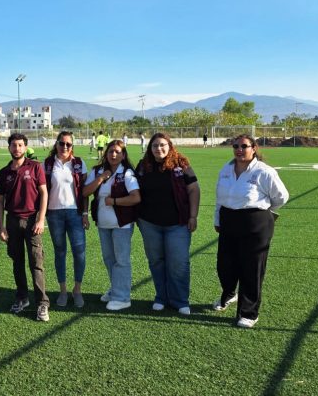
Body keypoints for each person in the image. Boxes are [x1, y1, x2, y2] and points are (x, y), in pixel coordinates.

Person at [214, 134, 289, 329]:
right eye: (236, 146)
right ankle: (229, 294)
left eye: (244, 146)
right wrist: (217, 220)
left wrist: (260, 211)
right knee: (225, 266)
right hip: (228, 221)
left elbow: (281, 197)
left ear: (253, 148)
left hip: (256, 224)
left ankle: (248, 313)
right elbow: (220, 198)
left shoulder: (264, 172)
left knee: (252, 269)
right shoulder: (226, 169)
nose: (239, 150)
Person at [135, 133, 200, 315]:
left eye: (163, 145)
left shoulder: (181, 164)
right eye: (155, 145)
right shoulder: (144, 165)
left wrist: (193, 216)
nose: (159, 149)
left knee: (178, 262)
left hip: (177, 223)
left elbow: (194, 189)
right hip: (149, 223)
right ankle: (161, 297)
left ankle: (180, 300)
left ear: (170, 146)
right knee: (156, 261)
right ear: (150, 148)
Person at [82, 140, 141, 311]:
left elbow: (136, 197)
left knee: (121, 260)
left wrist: (114, 201)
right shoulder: (97, 171)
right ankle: (116, 289)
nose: (113, 155)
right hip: (103, 223)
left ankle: (122, 297)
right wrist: (100, 178)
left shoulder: (127, 173)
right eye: (110, 152)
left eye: (117, 152)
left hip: (122, 224)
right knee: (109, 259)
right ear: (105, 154)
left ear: (123, 155)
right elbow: (85, 192)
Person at [0, 133, 50, 321]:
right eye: (13, 145)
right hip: (12, 221)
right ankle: (22, 298)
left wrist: (40, 219)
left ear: (25, 148)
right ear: (9, 148)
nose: (17, 148)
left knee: (36, 262)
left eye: (20, 145)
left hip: (32, 220)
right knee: (17, 262)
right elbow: (0, 200)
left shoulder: (35, 167)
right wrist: (2, 226)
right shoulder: (4, 172)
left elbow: (44, 193)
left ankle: (42, 303)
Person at [43, 131, 89, 308]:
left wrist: (85, 213)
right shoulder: (46, 164)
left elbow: (84, 192)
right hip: (54, 214)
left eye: (68, 144)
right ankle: (63, 290)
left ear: (72, 146)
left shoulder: (78, 163)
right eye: (61, 143)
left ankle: (77, 289)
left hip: (75, 214)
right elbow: (42, 190)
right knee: (60, 252)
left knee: (79, 252)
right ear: (56, 144)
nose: (64, 147)